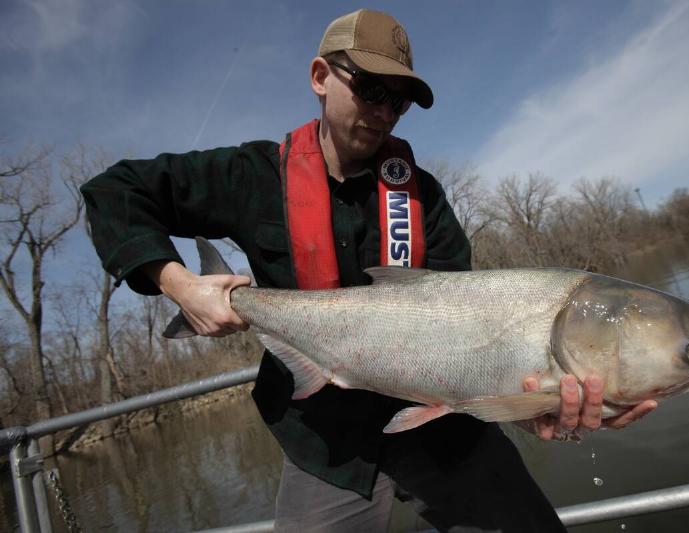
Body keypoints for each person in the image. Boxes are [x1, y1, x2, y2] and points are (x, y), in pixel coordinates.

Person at [81, 8, 656, 532]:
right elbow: (115, 191)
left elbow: (471, 338)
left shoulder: (422, 196)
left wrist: (530, 407)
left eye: (399, 101)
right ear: (319, 77)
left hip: (446, 433)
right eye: (371, 88)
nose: (383, 112)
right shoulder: (250, 175)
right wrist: (180, 285)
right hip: (325, 444)